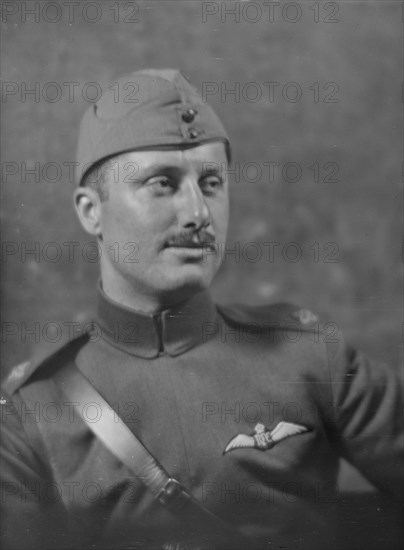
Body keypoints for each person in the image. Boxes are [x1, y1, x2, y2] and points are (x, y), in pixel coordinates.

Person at [1, 69, 402, 550]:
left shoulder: (311, 357)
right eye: (162, 184)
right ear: (91, 212)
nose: (197, 214)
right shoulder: (33, 412)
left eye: (211, 182)